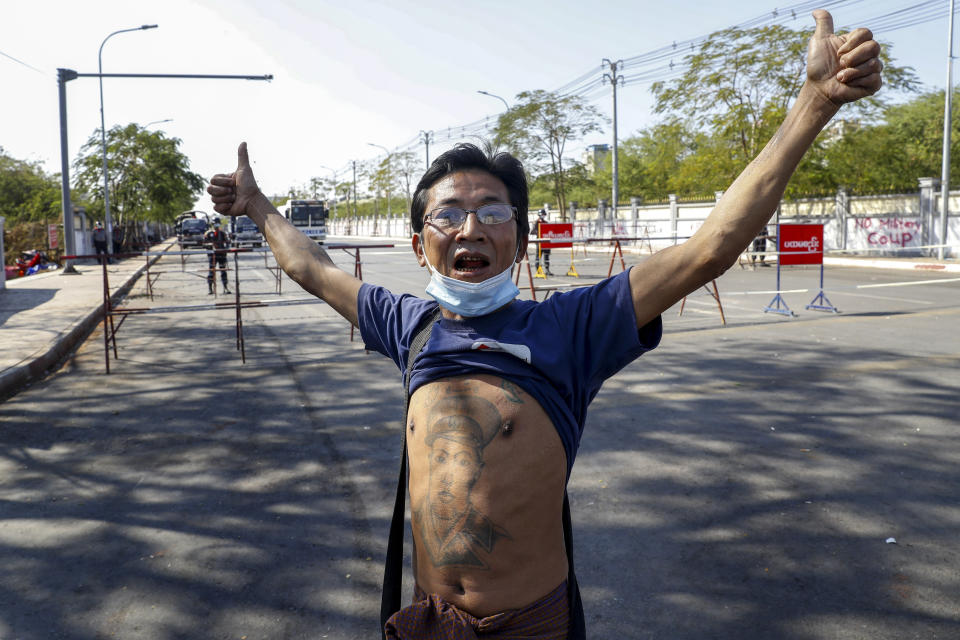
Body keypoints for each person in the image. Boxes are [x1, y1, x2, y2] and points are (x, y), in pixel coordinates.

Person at [207, 11, 880, 638]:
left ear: (521, 242)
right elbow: (313, 268)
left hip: (531, 624)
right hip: (430, 622)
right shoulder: (408, 325)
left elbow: (707, 250)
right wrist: (258, 204)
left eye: (493, 212)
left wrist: (812, 107)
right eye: (448, 214)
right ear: (420, 245)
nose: (470, 227)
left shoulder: (572, 326)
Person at [203, 218, 231, 294]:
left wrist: (226, 247)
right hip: (212, 256)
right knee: (211, 272)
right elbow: (204, 244)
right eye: (215, 223)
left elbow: (227, 242)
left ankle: (225, 288)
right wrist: (212, 245)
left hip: (222, 255)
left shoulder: (222, 233)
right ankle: (210, 289)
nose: (216, 225)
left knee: (223, 271)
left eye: (218, 223)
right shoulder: (208, 233)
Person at [534, 209, 553, 276]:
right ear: (539, 214)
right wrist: (539, 232)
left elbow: (548, 231)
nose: (543, 215)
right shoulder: (536, 222)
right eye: (542, 214)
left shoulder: (546, 222)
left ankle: (547, 270)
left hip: (546, 242)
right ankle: (538, 270)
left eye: (544, 214)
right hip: (539, 242)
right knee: (538, 257)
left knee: (546, 256)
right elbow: (533, 231)